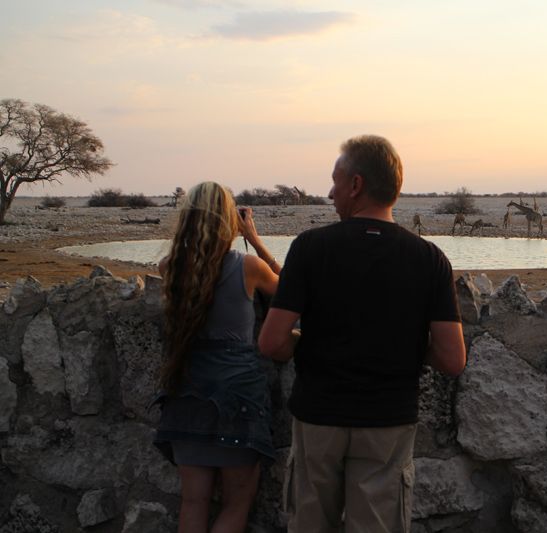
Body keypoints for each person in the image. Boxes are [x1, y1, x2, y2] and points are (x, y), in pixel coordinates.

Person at [258, 135, 467, 533]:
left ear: (356, 185)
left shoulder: (309, 248)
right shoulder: (429, 259)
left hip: (319, 416)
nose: (330, 192)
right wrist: (404, 348)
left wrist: (302, 344)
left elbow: (271, 342)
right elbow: (452, 359)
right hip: (387, 422)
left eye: (335, 181)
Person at [151, 181, 282, 533]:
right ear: (230, 220)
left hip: (187, 392)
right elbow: (291, 293)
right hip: (238, 394)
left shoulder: (170, 267)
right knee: (237, 504)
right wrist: (253, 238)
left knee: (194, 501)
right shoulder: (248, 267)